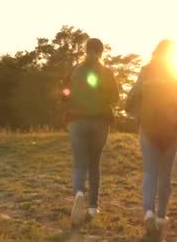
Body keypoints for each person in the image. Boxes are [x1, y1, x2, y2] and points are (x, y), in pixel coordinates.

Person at [126, 40, 177, 238]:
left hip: (148, 127)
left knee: (149, 172)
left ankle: (148, 211)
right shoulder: (176, 72)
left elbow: (133, 95)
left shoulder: (145, 71)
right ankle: (161, 215)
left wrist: (135, 113)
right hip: (171, 129)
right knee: (165, 173)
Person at [62, 38, 119, 226]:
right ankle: (93, 207)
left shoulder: (74, 72)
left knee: (79, 164)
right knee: (94, 165)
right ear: (101, 52)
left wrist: (73, 99)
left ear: (85, 50)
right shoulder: (107, 73)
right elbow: (115, 98)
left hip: (77, 122)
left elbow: (64, 95)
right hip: (100, 123)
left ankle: (79, 193)